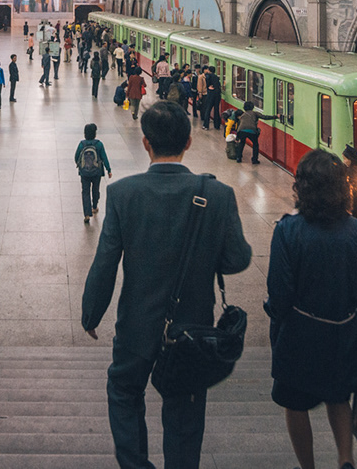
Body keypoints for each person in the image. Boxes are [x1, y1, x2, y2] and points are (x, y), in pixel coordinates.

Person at [82, 102, 252, 469]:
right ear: (189, 142)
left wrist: (91, 313)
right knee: (185, 412)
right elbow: (238, 259)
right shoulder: (219, 195)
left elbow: (106, 262)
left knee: (124, 393)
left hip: (137, 327)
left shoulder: (124, 194)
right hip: (192, 329)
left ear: (146, 143)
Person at [266, 149, 357, 469]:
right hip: (345, 334)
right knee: (339, 398)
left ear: (301, 187)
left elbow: (279, 295)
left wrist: (277, 330)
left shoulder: (287, 231)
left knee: (295, 404)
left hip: (299, 336)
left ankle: (308, 466)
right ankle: (345, 460)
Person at [74, 123, 112, 224]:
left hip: (84, 173)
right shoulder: (99, 144)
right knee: (95, 189)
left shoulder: (82, 144)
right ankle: (94, 207)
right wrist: (109, 169)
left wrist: (80, 165)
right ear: (95, 133)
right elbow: (104, 157)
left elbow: (76, 156)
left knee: (85, 192)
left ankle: (87, 213)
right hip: (97, 172)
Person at [342, 145, 357, 218]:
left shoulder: (349, 171)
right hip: (354, 200)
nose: (343, 161)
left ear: (350, 160)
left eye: (345, 159)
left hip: (348, 201)